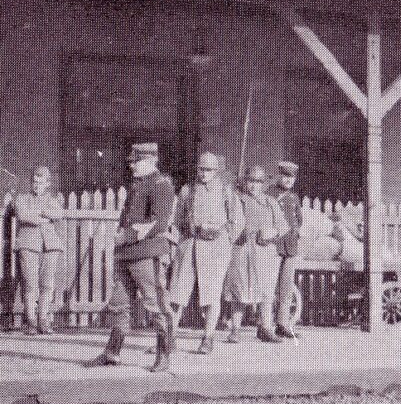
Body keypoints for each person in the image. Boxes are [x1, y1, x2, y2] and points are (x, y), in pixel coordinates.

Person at [87, 143, 176, 372]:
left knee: (157, 304)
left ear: (151, 161)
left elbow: (158, 222)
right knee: (118, 305)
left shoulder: (161, 184)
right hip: (126, 255)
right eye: (131, 162)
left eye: (136, 162)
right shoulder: (138, 184)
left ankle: (164, 355)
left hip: (147, 254)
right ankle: (112, 353)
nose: (132, 166)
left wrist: (126, 235)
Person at [168, 153, 244, 354]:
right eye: (201, 169)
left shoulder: (226, 191)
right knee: (177, 294)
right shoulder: (187, 190)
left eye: (209, 170)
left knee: (211, 295)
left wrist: (225, 240)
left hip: (215, 249)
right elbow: (177, 220)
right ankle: (169, 338)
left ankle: (207, 338)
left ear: (216, 171)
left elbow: (237, 222)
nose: (204, 174)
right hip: (189, 245)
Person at [224, 165, 289, 343]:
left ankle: (265, 328)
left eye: (258, 182)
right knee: (239, 289)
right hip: (242, 249)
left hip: (265, 251)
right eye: (251, 181)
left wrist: (272, 232)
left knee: (267, 290)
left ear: (263, 183)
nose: (254, 185)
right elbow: (229, 223)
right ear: (245, 182)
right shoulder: (238, 200)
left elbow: (284, 227)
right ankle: (235, 329)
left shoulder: (270, 202)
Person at [14, 166, 65, 335]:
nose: (36, 186)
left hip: (50, 246)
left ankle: (43, 321)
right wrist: (43, 217)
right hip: (28, 244)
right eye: (34, 182)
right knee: (30, 284)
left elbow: (58, 214)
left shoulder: (52, 200)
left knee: (47, 285)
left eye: (40, 183)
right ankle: (30, 322)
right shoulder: (22, 198)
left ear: (47, 184)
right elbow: (22, 215)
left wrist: (41, 211)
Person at [268, 160, 304, 338]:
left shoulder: (294, 198)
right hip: (274, 246)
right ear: (279, 176)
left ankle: (282, 323)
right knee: (269, 286)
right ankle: (266, 325)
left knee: (286, 286)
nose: (288, 180)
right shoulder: (270, 194)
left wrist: (295, 233)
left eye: (292, 177)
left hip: (290, 247)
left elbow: (299, 219)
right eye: (285, 176)